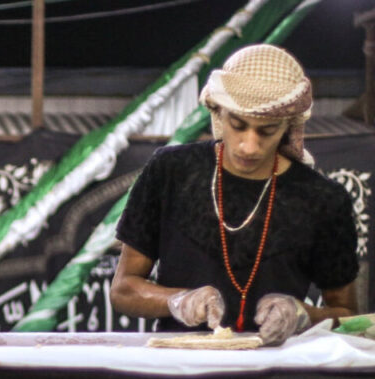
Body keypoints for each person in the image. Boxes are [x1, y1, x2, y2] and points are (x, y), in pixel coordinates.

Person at [110, 44, 358, 346]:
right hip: (179, 364)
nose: (249, 146)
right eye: (238, 125)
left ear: (288, 126)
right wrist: (179, 301)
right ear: (218, 113)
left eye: (267, 131)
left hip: (279, 369)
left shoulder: (324, 199)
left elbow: (348, 317)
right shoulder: (171, 171)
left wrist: (303, 315)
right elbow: (123, 290)